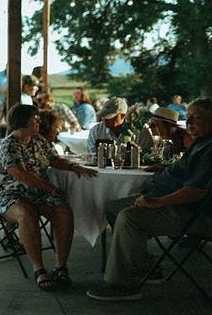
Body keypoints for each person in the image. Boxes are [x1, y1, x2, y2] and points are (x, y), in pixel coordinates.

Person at [86, 98, 212, 301]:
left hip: (193, 213)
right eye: (187, 119)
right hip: (171, 201)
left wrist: (156, 203)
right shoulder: (201, 143)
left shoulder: (209, 149)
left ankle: (121, 284)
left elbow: (195, 191)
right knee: (113, 208)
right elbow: (189, 173)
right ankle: (143, 264)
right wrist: (167, 169)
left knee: (129, 217)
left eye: (195, 119)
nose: (189, 125)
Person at [0, 104, 97, 290]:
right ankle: (39, 269)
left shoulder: (38, 140)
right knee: (26, 213)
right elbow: (19, 173)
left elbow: (54, 159)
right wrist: (50, 187)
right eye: (35, 118)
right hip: (9, 193)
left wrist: (73, 167)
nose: (39, 121)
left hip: (36, 193)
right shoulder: (9, 144)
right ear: (23, 120)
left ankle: (61, 267)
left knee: (63, 211)